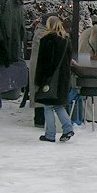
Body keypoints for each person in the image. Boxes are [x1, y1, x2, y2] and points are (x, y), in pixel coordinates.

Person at [34, 15, 75, 143]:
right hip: (63, 79)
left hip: (50, 79)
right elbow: (69, 61)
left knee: (48, 106)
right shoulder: (66, 40)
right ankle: (68, 128)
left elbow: (43, 63)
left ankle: (50, 134)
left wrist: (39, 80)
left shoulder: (46, 40)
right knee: (57, 105)